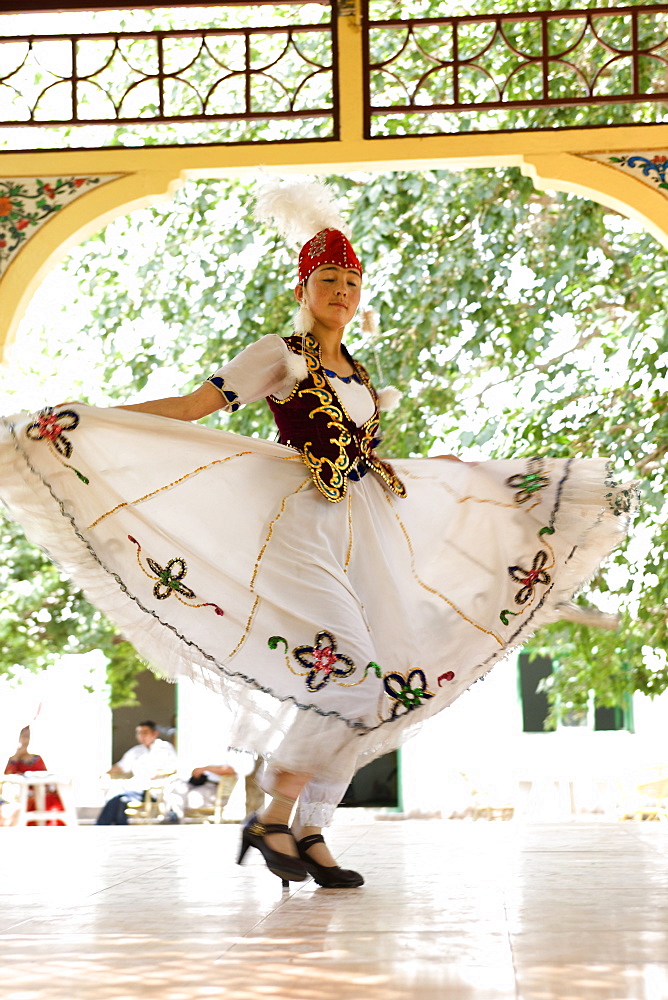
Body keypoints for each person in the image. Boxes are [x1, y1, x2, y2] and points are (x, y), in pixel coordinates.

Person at [0, 179, 636, 886]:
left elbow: (368, 454)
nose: (342, 291)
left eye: (351, 282)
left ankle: (310, 831)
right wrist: (92, 418)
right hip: (306, 522)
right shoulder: (280, 354)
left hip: (371, 527)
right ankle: (273, 817)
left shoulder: (357, 371)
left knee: (387, 682)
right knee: (347, 674)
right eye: (329, 279)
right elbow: (189, 406)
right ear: (304, 287)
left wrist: (449, 470)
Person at [96, 720, 178, 825]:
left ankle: (102, 825)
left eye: (145, 733)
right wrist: (103, 774)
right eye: (139, 733)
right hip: (136, 787)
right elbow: (121, 766)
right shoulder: (136, 751)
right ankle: (117, 826)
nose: (141, 736)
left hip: (155, 789)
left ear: (154, 734)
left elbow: (173, 767)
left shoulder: (165, 748)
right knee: (119, 799)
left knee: (117, 793)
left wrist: (157, 773)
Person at [4, 726, 65, 826]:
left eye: (27, 737)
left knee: (51, 802)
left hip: (42, 791)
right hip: (25, 793)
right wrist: (16, 756)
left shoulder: (37, 758)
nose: (25, 740)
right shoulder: (14, 759)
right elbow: (8, 774)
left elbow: (44, 775)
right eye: (23, 737)